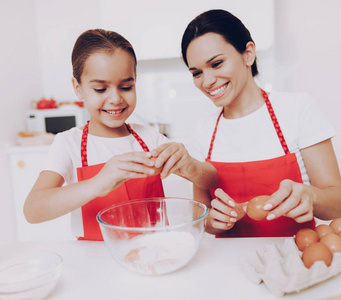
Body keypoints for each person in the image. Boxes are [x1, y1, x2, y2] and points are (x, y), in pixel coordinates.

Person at [24, 29, 218, 241]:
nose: (115, 99)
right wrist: (98, 183)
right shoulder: (68, 143)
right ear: (78, 88)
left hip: (152, 253)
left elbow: (211, 178)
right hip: (94, 260)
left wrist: (189, 165)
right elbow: (33, 210)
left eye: (126, 86)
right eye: (100, 89)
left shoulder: (149, 138)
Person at [181, 9, 341, 238]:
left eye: (217, 64)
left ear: (248, 53)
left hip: (295, 260)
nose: (207, 81)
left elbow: (338, 204)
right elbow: (201, 218)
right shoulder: (202, 130)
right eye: (197, 73)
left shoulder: (297, 109)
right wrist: (212, 221)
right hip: (228, 265)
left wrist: (310, 195)